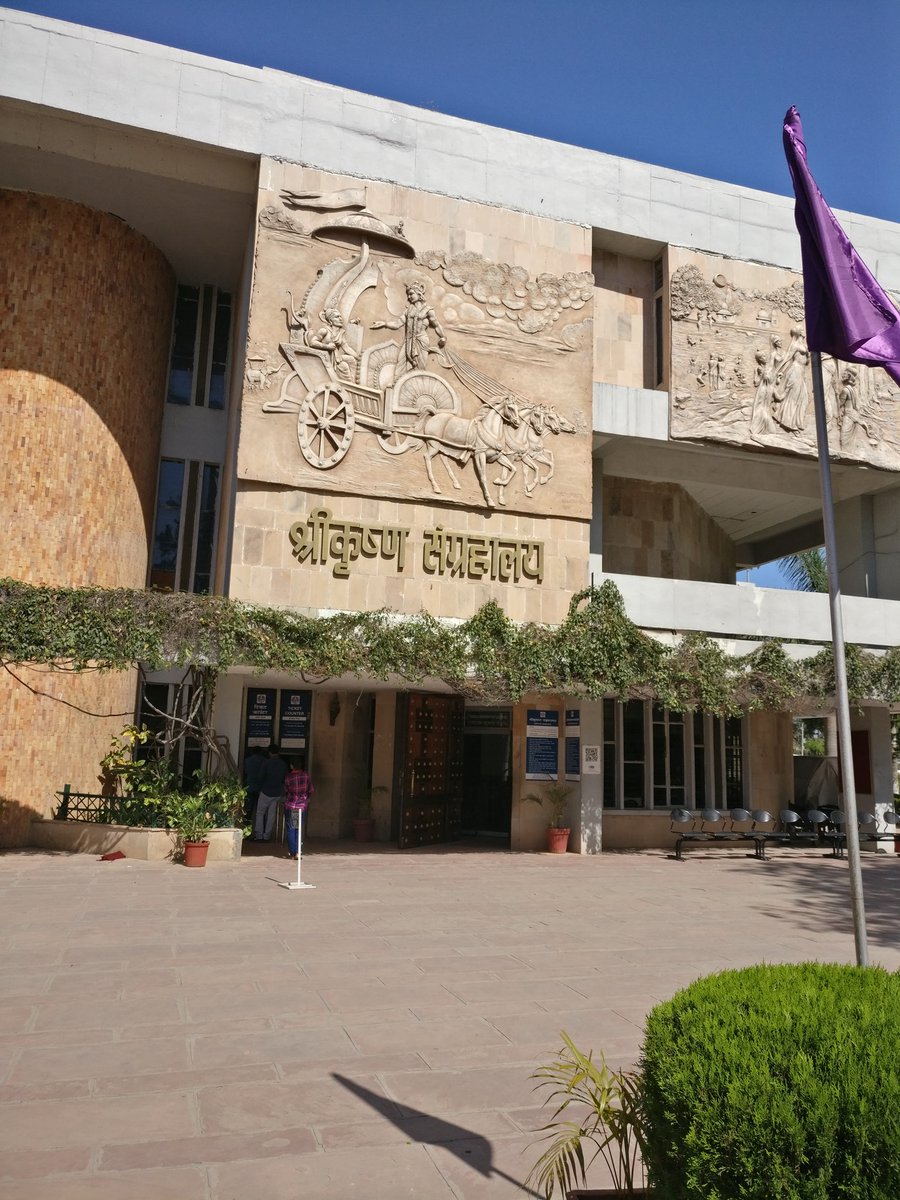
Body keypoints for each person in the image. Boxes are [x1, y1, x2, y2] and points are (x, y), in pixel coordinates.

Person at [254, 744, 289, 842]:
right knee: (271, 815)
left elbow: (260, 777)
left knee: (260, 813)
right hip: (277, 793)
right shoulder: (283, 764)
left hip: (265, 791)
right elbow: (285, 779)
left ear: (269, 752)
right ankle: (267, 836)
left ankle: (259, 836)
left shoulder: (266, 763)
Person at [283, 756, 313, 860]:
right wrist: (306, 798)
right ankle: (298, 852)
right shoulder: (306, 776)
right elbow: (311, 790)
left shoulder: (289, 777)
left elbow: (285, 790)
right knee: (298, 828)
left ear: (292, 766)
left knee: (291, 828)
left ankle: (293, 852)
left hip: (291, 805)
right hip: (301, 806)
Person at [242, 744, 268, 827]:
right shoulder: (265, 760)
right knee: (261, 811)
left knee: (248, 810)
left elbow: (245, 771)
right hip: (261, 788)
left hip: (249, 786)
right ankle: (260, 831)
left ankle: (246, 828)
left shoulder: (247, 760)